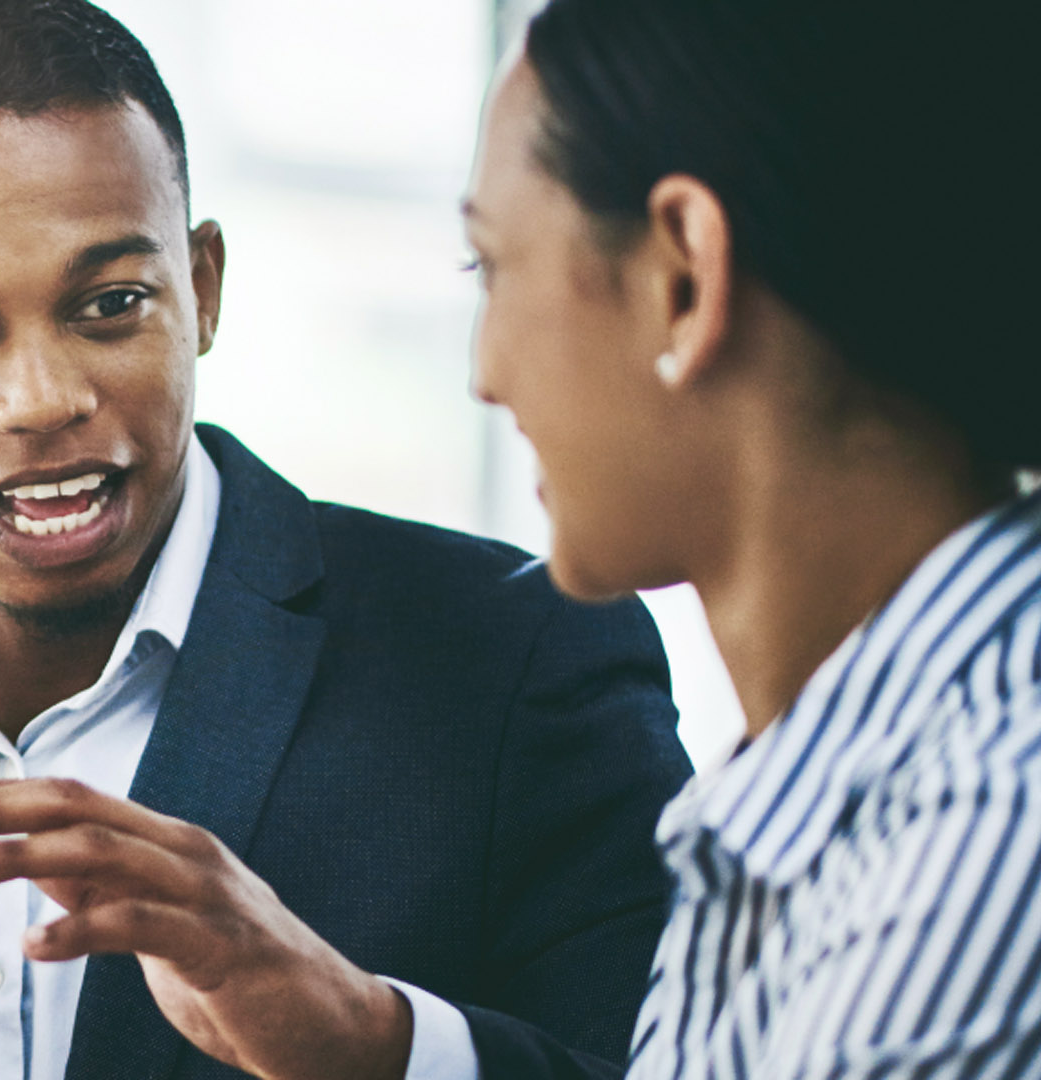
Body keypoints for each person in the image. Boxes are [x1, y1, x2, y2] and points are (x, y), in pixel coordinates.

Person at [0, 2, 693, 1078]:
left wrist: (373, 1046)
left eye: (110, 303)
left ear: (202, 289)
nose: (43, 397)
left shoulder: (516, 668)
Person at [463, 0, 1041, 1076]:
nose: (482, 373)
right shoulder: (813, 795)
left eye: (490, 267)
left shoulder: (986, 829)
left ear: (684, 276)